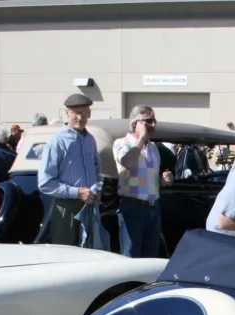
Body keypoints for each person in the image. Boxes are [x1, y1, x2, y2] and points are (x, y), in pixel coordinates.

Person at [37, 93, 102, 246]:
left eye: (84, 113)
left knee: (90, 251)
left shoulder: (90, 139)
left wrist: (98, 187)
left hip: (89, 206)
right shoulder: (57, 141)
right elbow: (45, 183)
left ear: (89, 114)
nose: (80, 117)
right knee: (66, 251)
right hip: (67, 207)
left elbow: (97, 168)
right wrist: (77, 192)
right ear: (67, 113)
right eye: (76, 113)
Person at [113, 106, 174, 258]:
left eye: (154, 121)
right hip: (133, 207)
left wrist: (163, 180)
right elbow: (127, 162)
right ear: (136, 124)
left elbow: (151, 180)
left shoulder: (153, 148)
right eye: (148, 121)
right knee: (131, 255)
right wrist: (141, 138)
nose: (153, 125)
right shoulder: (123, 143)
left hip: (153, 207)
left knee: (151, 255)